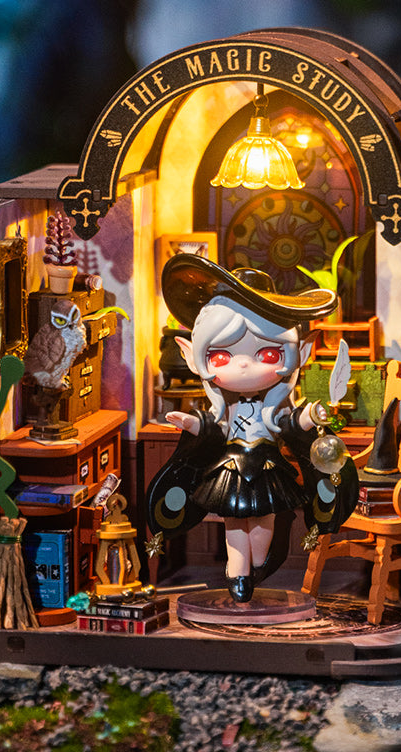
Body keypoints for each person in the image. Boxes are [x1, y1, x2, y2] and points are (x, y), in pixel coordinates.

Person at [146, 254, 358, 603]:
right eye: (221, 356)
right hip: (228, 466)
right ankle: (237, 571)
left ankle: (257, 564)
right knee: (233, 521)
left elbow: (291, 424)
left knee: (263, 522)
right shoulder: (224, 406)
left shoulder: (274, 406)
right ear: (192, 355)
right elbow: (214, 428)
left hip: (267, 466)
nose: (243, 365)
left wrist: (311, 416)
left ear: (301, 352)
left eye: (269, 354)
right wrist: (191, 423)